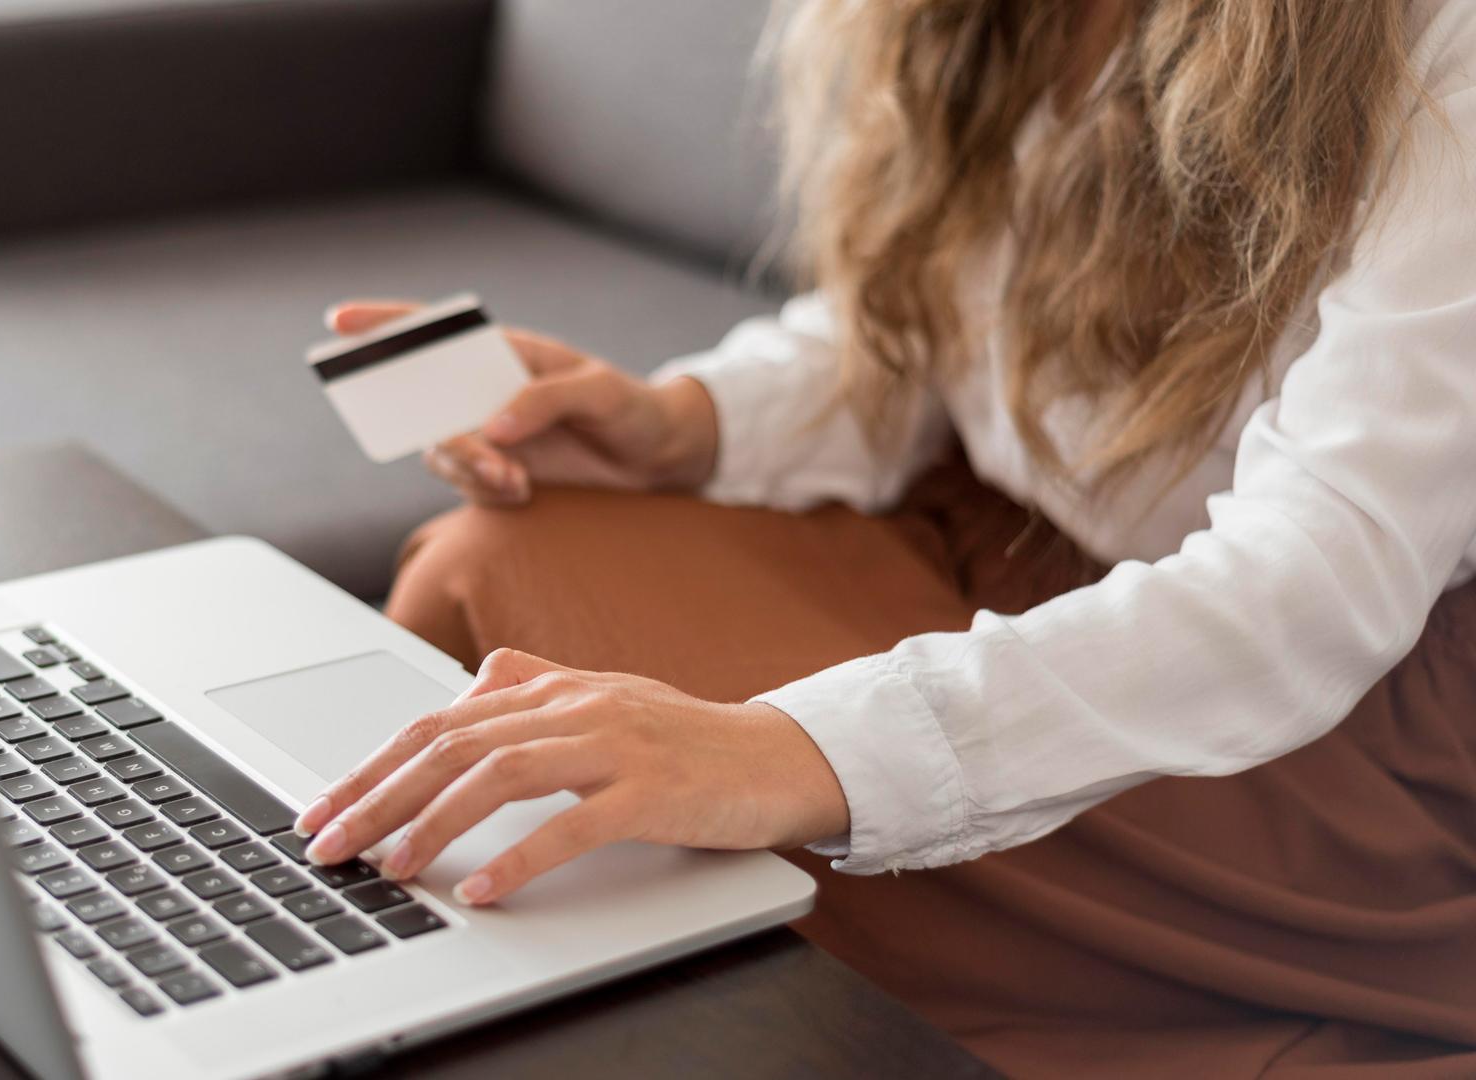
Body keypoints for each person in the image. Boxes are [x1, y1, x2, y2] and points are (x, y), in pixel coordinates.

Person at [302, 1, 1476, 1074]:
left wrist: (789, 755)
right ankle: (331, 963)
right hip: (995, 556)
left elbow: (1320, 574)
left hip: (1307, 725)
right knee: (507, 562)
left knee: (744, 848)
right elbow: (921, 327)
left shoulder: (1435, 46)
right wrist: (677, 425)